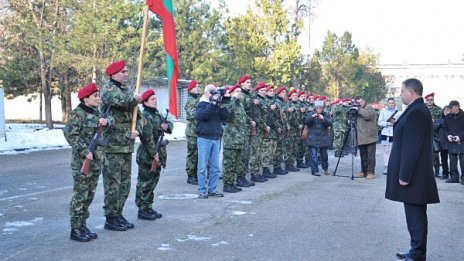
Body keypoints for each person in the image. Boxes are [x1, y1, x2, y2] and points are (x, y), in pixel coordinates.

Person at [385, 78, 439, 261]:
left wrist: (404, 175)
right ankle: (416, 250)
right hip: (415, 175)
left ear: (411, 92)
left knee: (415, 216)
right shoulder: (416, 109)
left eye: (402, 91)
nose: (400, 95)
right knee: (415, 215)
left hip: (414, 176)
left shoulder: (416, 112)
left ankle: (417, 254)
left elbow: (412, 146)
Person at [64, 83, 110, 242]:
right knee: (80, 196)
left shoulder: (96, 113)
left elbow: (102, 134)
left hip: (95, 162)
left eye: (98, 95)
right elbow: (71, 135)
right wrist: (85, 151)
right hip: (83, 162)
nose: (98, 98)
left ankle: (82, 225)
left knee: (89, 196)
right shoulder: (77, 114)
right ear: (85, 98)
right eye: (95, 96)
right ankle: (75, 229)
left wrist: (106, 123)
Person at [100, 60, 141, 231]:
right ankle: (111, 217)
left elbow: (136, 114)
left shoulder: (126, 90)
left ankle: (119, 213)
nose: (126, 74)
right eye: (123, 72)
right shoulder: (109, 89)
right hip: (113, 146)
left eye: (126, 71)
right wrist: (134, 99)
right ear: (114, 73)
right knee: (113, 184)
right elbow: (121, 101)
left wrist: (137, 129)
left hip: (126, 145)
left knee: (124, 184)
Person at [135, 89, 173, 220]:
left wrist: (166, 127)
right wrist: (154, 154)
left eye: (156, 99)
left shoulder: (157, 114)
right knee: (145, 182)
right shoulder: (145, 116)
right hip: (148, 154)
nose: (155, 101)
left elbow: (170, 126)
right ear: (145, 102)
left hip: (158, 152)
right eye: (152, 99)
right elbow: (146, 138)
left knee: (153, 182)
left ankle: (148, 206)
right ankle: (142, 209)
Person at [195, 84, 229, 198]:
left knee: (215, 167)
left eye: (215, 92)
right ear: (206, 93)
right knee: (202, 167)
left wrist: (222, 106)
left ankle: (212, 189)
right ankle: (202, 190)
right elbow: (204, 115)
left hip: (216, 138)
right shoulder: (201, 104)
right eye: (211, 92)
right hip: (204, 139)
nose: (213, 94)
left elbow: (225, 117)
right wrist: (213, 103)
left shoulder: (216, 105)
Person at [222, 85, 248, 192]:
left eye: (240, 91)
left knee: (237, 162)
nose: (239, 93)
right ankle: (227, 185)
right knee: (229, 162)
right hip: (231, 139)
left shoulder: (240, 104)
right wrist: (232, 98)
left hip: (240, 138)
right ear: (231, 93)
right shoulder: (228, 103)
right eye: (236, 91)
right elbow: (226, 114)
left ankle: (232, 183)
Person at [352, 95, 378, 180]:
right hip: (361, 136)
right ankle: (364, 171)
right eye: (357, 103)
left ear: (364, 101)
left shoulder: (369, 107)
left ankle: (371, 172)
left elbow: (367, 115)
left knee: (370, 156)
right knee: (363, 155)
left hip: (370, 136)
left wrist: (358, 109)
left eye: (360, 102)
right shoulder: (358, 109)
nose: (359, 104)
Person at [305, 100, 333, 176]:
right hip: (313, 137)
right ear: (315, 108)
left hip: (323, 137)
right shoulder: (310, 114)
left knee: (324, 155)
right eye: (317, 108)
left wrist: (323, 119)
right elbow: (306, 122)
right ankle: (315, 170)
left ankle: (325, 169)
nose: (319, 109)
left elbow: (330, 123)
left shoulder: (326, 115)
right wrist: (312, 117)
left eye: (320, 108)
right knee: (313, 155)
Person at [377, 97, 401, 174]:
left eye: (392, 103)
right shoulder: (383, 111)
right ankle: (386, 166)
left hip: (395, 133)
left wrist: (395, 123)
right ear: (387, 103)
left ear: (394, 103)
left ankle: (394, 166)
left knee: (395, 151)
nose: (391, 104)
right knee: (386, 151)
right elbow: (379, 122)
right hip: (386, 133)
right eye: (390, 103)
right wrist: (388, 123)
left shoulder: (398, 112)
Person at [443, 100, 464, 184]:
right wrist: (448, 135)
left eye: (451, 107)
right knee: (452, 161)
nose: (450, 109)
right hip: (451, 142)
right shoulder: (447, 117)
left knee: (463, 161)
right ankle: (454, 177)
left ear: (457, 107)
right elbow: (444, 129)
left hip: (462, 142)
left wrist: (460, 137)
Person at [185, 80, 200, 185]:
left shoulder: (197, 99)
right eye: (196, 87)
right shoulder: (191, 100)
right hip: (192, 132)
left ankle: (195, 174)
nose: (198, 88)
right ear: (190, 89)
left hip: (198, 131)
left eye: (198, 86)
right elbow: (191, 115)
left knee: (197, 154)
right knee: (192, 154)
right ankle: (191, 175)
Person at [424, 92, 442, 177]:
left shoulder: (438, 109)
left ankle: (437, 171)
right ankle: (426, 171)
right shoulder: (422, 108)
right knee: (424, 154)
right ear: (426, 100)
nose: (430, 101)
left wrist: (435, 125)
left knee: (435, 154)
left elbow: (441, 121)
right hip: (423, 135)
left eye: (431, 100)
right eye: (428, 100)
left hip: (435, 135)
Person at [433, 106, 450, 180]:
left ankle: (454, 174)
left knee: (453, 160)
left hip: (452, 143)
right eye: (445, 110)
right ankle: (445, 173)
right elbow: (434, 127)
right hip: (443, 143)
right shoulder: (439, 120)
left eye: (448, 110)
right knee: (444, 159)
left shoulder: (453, 119)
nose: (446, 111)